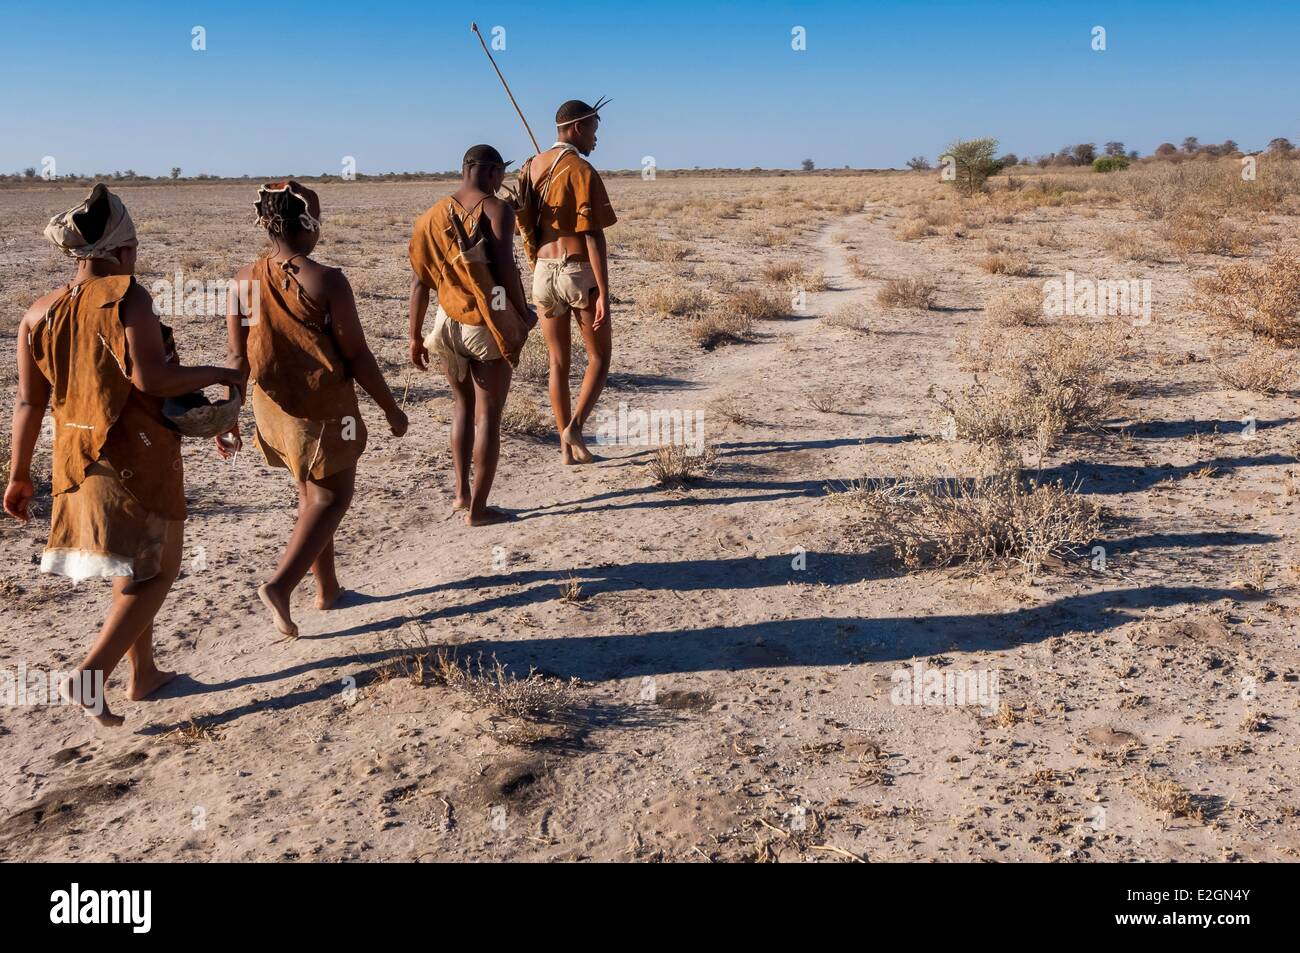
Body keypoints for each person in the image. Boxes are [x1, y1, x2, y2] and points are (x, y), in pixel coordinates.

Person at [3, 184, 243, 726]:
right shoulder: (128, 295)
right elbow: (151, 377)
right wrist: (223, 374)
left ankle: (145, 674)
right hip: (139, 458)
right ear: (124, 249)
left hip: (76, 458)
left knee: (130, 567)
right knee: (159, 572)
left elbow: (26, 402)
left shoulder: (39, 313)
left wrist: (19, 475)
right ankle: (91, 674)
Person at [220, 181, 407, 637]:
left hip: (272, 408)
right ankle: (281, 586)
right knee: (332, 497)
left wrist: (229, 413)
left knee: (309, 495)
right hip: (321, 408)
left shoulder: (244, 280)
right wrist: (389, 408)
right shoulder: (326, 279)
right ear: (308, 224)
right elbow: (358, 355)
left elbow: (237, 358)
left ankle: (329, 590)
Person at [408, 145, 535, 525]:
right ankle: (479, 510)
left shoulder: (429, 217)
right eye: (500, 175)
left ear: (464, 169)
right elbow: (505, 270)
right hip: (484, 324)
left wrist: (414, 336)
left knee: (461, 407)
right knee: (489, 416)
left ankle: (461, 495)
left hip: (445, 323)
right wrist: (522, 312)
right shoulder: (498, 210)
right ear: (493, 172)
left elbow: (419, 282)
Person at [520, 98, 617, 465]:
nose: (595, 139)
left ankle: (567, 450)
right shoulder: (581, 169)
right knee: (599, 357)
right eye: (593, 129)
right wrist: (604, 292)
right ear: (577, 127)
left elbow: (525, 224)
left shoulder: (531, 167)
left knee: (557, 362)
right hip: (577, 271)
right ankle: (574, 427)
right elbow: (593, 235)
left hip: (543, 274)